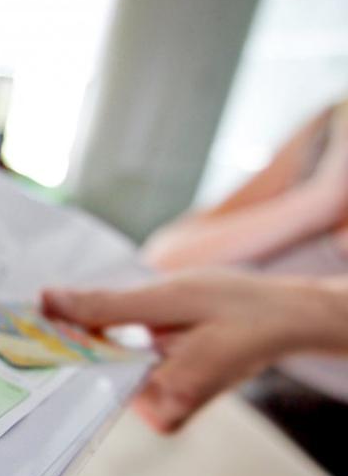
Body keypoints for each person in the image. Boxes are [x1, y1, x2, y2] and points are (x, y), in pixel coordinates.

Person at [43, 100, 348, 434]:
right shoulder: (331, 128)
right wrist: (321, 198)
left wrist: (294, 311)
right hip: (224, 387)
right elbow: (163, 257)